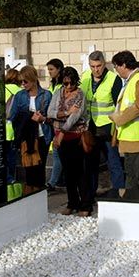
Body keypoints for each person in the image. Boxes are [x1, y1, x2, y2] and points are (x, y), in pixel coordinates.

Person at [80, 50, 125, 198]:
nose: (95, 69)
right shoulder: (85, 77)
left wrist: (117, 131)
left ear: (104, 64)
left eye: (98, 66)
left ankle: (119, 194)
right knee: (90, 165)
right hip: (90, 128)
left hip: (107, 128)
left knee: (113, 163)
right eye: (92, 66)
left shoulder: (113, 79)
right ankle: (89, 195)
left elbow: (119, 107)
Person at [48, 66, 92, 216]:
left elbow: (74, 118)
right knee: (68, 173)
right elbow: (50, 111)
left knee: (80, 173)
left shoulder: (80, 95)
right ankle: (72, 202)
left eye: (71, 83)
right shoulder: (58, 92)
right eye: (65, 83)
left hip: (75, 138)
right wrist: (65, 112)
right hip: (62, 138)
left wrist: (61, 131)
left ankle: (85, 205)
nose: (68, 87)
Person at [109, 51, 139, 200]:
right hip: (131, 141)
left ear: (124, 65)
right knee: (132, 177)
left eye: (116, 66)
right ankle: (132, 204)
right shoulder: (131, 81)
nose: (116, 70)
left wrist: (119, 118)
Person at [8, 65, 53, 194]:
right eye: (21, 81)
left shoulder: (46, 95)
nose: (23, 84)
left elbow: (52, 118)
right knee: (29, 168)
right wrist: (28, 116)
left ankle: (38, 195)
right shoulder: (19, 96)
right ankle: (30, 195)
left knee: (40, 167)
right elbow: (12, 116)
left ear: (33, 79)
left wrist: (42, 118)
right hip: (27, 136)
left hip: (42, 135)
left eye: (25, 81)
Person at [46, 58, 65, 193]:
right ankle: (59, 181)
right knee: (59, 154)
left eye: (51, 69)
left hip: (60, 124)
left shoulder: (62, 85)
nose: (49, 72)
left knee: (58, 155)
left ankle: (52, 183)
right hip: (52, 123)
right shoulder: (53, 85)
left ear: (59, 69)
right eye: (48, 70)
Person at [4, 68, 22, 194]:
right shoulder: (20, 91)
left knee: (2, 156)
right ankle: (11, 178)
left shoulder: (0, 90)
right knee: (11, 156)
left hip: (1, 128)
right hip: (14, 129)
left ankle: (6, 177)